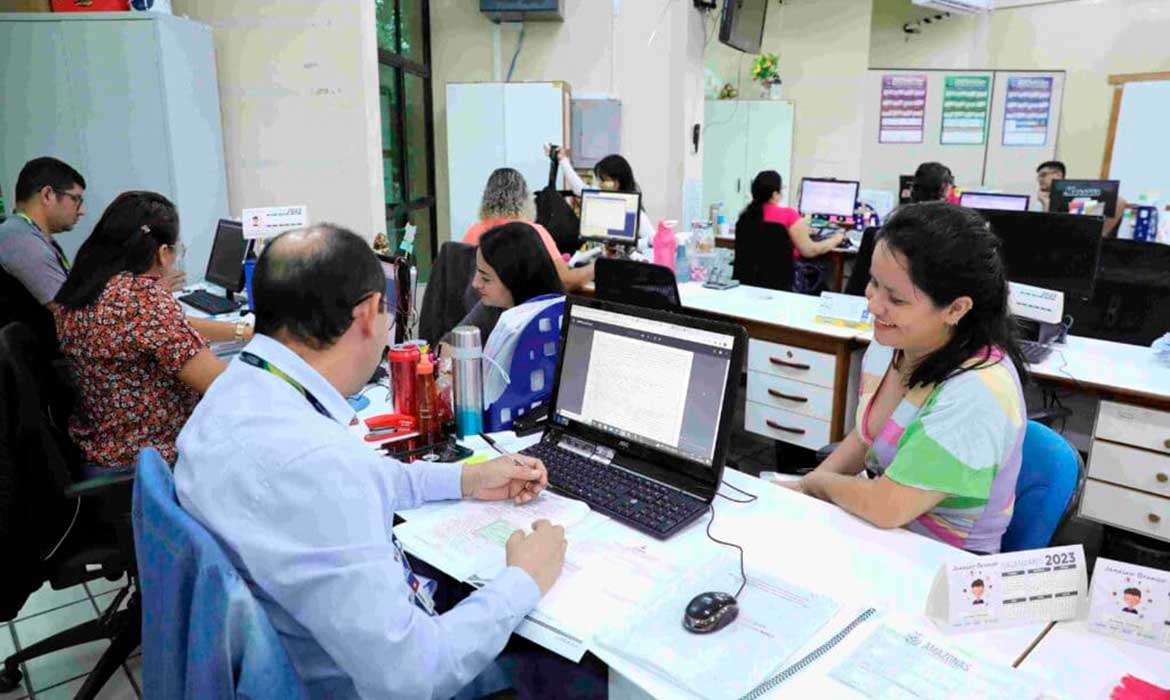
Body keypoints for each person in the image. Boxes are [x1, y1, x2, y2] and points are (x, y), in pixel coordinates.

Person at [174, 224, 585, 699]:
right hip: (358, 682)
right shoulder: (314, 465)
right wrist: (524, 578)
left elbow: (366, 476)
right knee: (577, 667)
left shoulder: (238, 391)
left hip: (302, 645)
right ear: (370, 314)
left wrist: (468, 478)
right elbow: (415, 676)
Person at [784, 202, 1027, 555]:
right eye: (873, 283)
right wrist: (804, 489)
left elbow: (887, 506)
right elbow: (866, 437)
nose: (874, 305)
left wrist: (820, 484)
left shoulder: (980, 391)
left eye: (895, 298)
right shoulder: (894, 341)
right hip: (882, 532)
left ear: (955, 309)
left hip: (941, 559)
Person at [54, 191, 249, 472]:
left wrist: (242, 331)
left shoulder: (85, 286)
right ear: (162, 253)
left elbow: (160, 329)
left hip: (103, 441)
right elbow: (220, 385)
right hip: (150, 455)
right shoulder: (140, 298)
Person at [467, 222, 566, 407]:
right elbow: (448, 343)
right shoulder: (492, 306)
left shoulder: (551, 325)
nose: (475, 283)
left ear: (516, 280)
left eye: (486, 278)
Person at [461, 167, 592, 291]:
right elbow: (565, 282)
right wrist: (598, 267)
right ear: (525, 197)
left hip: (481, 310)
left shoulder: (474, 231)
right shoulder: (532, 231)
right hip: (519, 312)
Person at [0, 158, 87, 316]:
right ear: (48, 195)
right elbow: (70, 315)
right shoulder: (20, 240)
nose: (82, 211)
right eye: (76, 199)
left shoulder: (28, 232)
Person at [549, 146, 655, 247]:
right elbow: (579, 188)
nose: (600, 184)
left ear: (619, 181)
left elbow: (653, 239)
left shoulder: (635, 212)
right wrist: (562, 159)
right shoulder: (599, 196)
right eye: (600, 180)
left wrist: (633, 245)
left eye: (604, 180)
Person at [738, 170, 844, 259]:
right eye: (782, 188)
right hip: (782, 279)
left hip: (748, 279)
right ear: (775, 194)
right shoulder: (789, 215)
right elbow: (810, 251)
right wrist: (836, 239)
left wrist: (800, 231)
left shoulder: (745, 216)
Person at [1034, 159, 1128, 236]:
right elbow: (1046, 231)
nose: (1039, 180)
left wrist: (1101, 236)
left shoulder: (1076, 201)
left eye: (1043, 175)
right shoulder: (1040, 202)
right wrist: (1046, 203)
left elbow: (1119, 202)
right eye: (1038, 177)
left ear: (1057, 175)